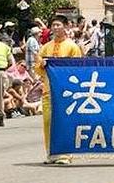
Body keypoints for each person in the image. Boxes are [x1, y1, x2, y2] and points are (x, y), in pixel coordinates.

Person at [35, 15, 84, 165]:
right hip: (48, 90)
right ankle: (51, 153)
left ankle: (65, 154)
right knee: (48, 122)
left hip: (65, 92)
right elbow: (37, 68)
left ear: (66, 26)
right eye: (53, 25)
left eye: (58, 25)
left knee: (64, 122)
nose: (55, 28)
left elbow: (77, 68)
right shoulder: (45, 47)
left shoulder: (72, 47)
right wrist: (42, 65)